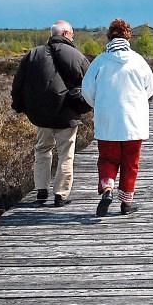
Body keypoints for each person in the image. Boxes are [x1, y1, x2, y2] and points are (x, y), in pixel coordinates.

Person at [11, 20, 91, 207]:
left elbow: (18, 83)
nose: (73, 36)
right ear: (64, 34)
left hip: (41, 114)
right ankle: (60, 195)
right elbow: (90, 83)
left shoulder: (33, 54)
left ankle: (41, 191)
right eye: (72, 33)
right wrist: (88, 106)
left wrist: (19, 105)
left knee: (42, 150)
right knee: (66, 153)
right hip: (67, 113)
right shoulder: (76, 55)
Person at [81, 19, 153, 216]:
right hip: (134, 122)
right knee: (131, 162)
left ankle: (107, 188)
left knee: (107, 158)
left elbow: (87, 90)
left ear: (109, 36)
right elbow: (151, 88)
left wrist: (98, 105)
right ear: (127, 36)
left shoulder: (99, 61)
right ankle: (126, 203)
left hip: (107, 121)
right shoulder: (138, 61)